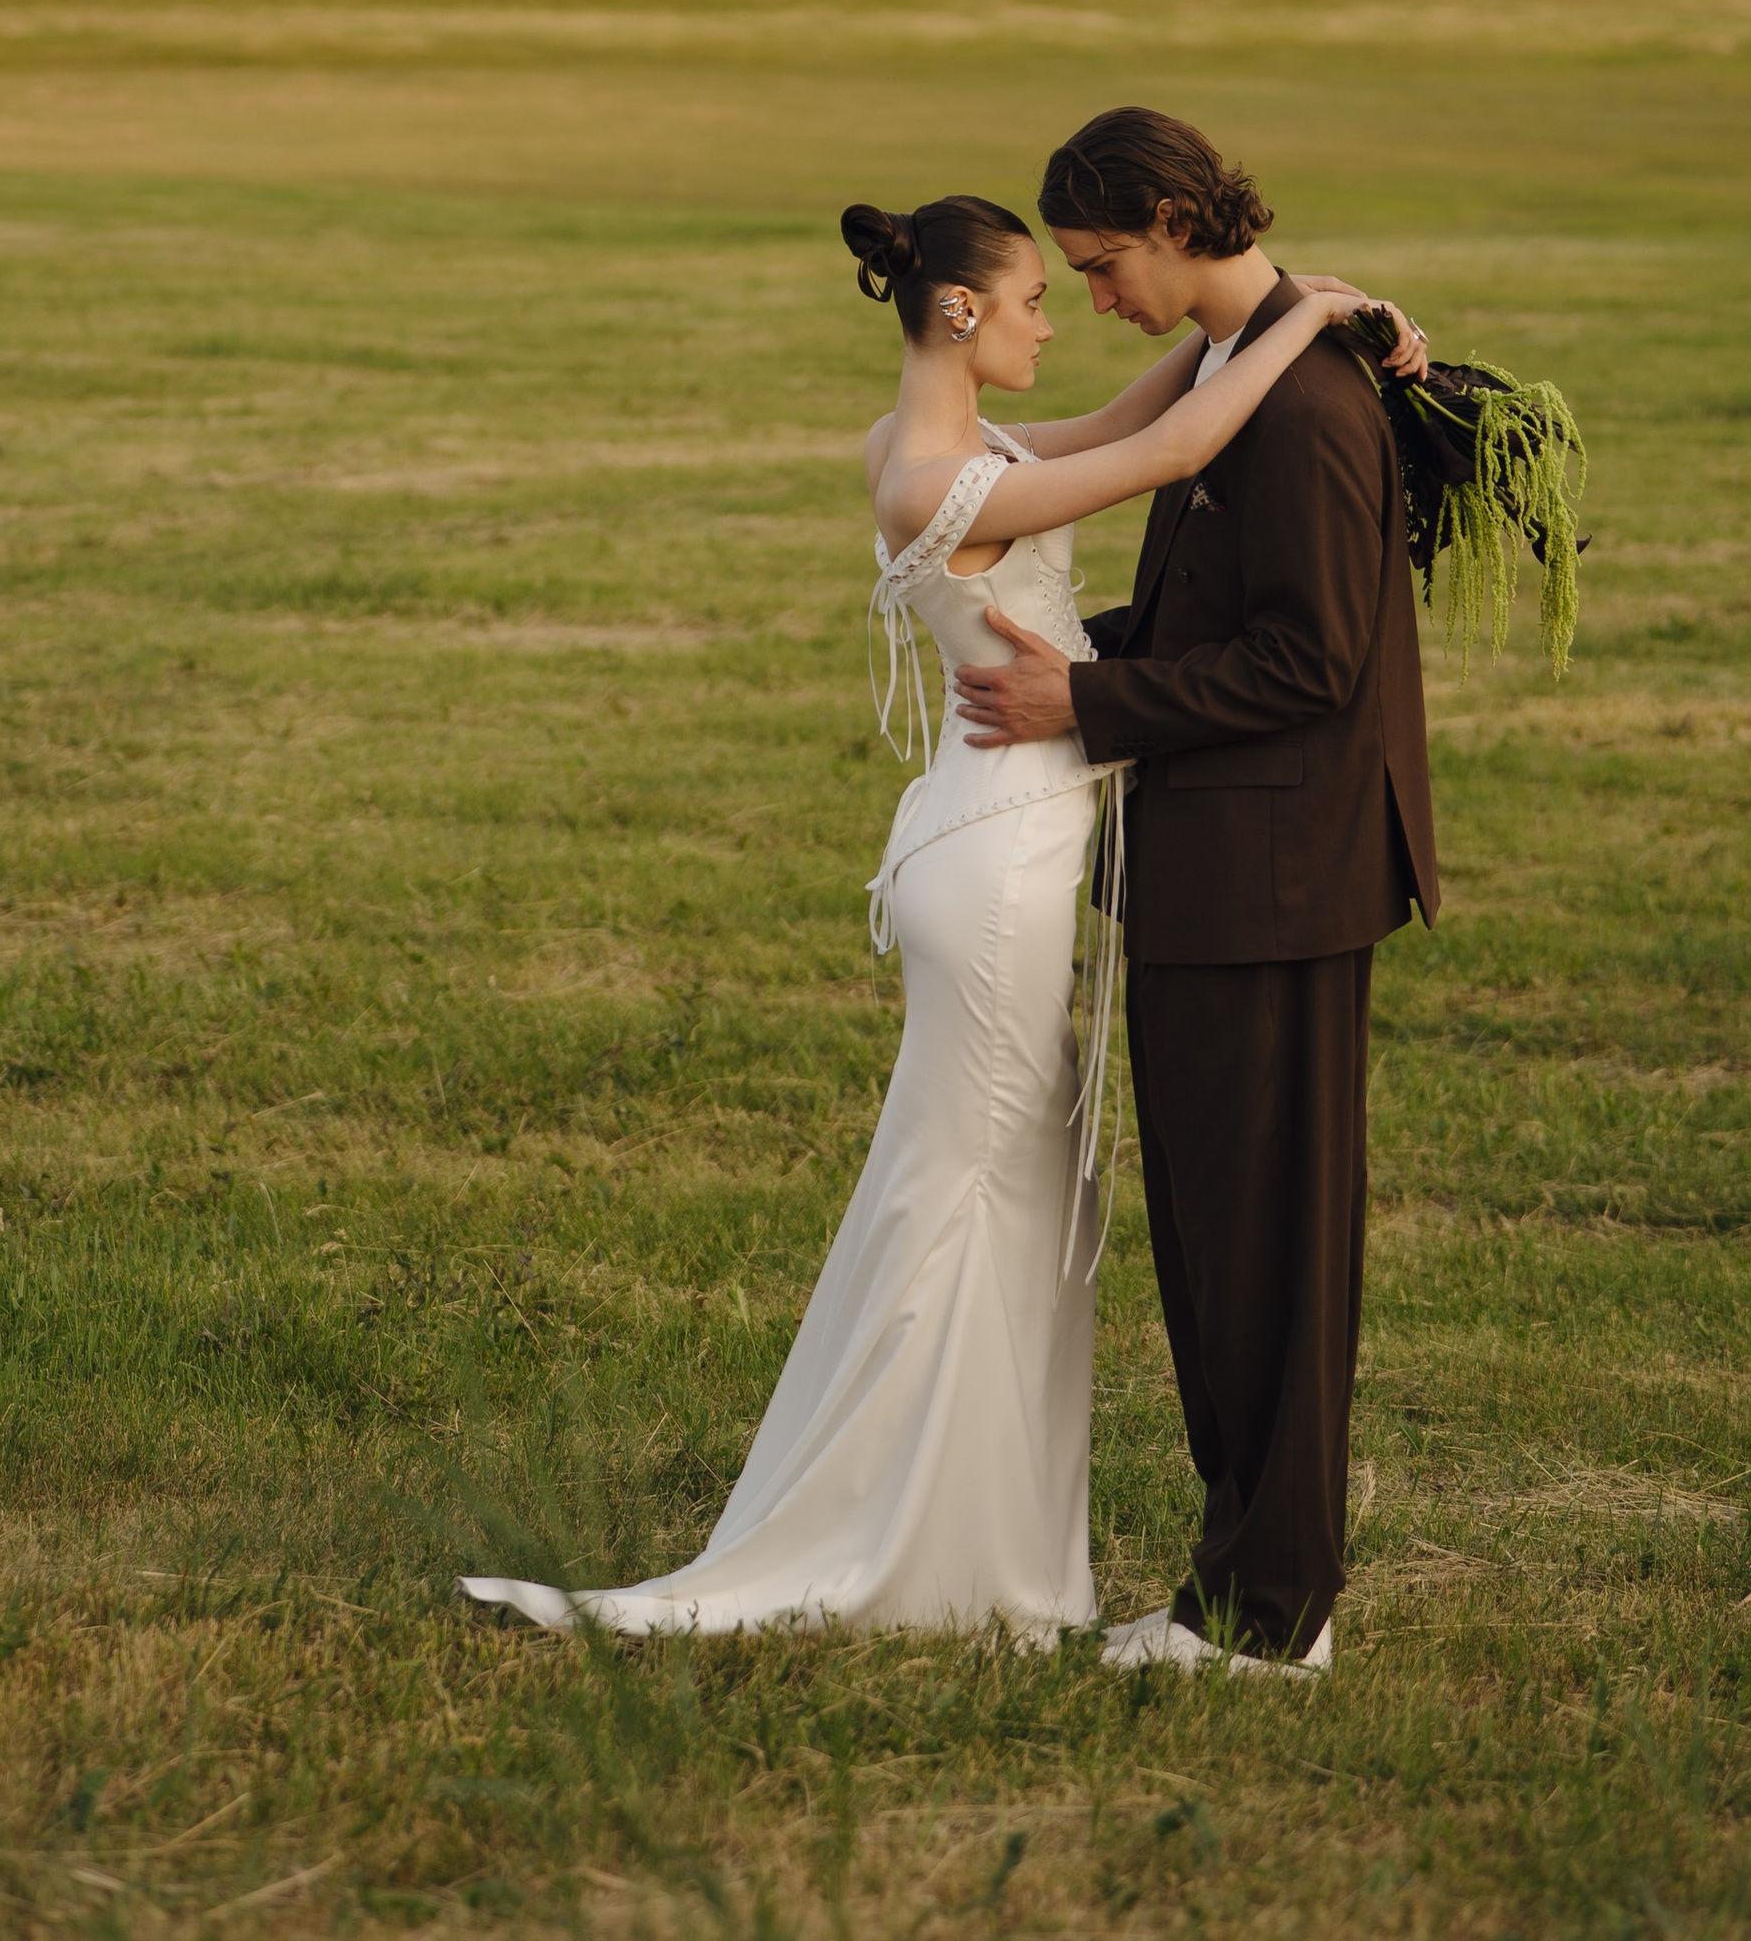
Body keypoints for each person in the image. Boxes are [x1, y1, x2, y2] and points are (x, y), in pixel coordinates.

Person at [460, 190, 1420, 1647]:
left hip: (999, 839)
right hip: (997, 862)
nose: (1059, 316)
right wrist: (1298, 322)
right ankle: (890, 1533)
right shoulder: (937, 484)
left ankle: (986, 1543)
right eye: (1039, 295)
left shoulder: (940, 450)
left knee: (1016, 1183)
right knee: (969, 1176)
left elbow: (1124, 415)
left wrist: (1289, 303)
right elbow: (1162, 452)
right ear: (959, 313)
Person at [954, 107, 1441, 1675]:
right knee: (1223, 1251)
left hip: (1280, 878)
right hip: (1221, 873)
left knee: (1271, 1262)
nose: (1095, 298)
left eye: (1103, 267)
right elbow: (1204, 610)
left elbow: (1312, 661)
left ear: (1173, 217)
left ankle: (1268, 1621)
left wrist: (1083, 706)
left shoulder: (1302, 406)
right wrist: (1080, 654)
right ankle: (1232, 1590)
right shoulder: (1252, 376)